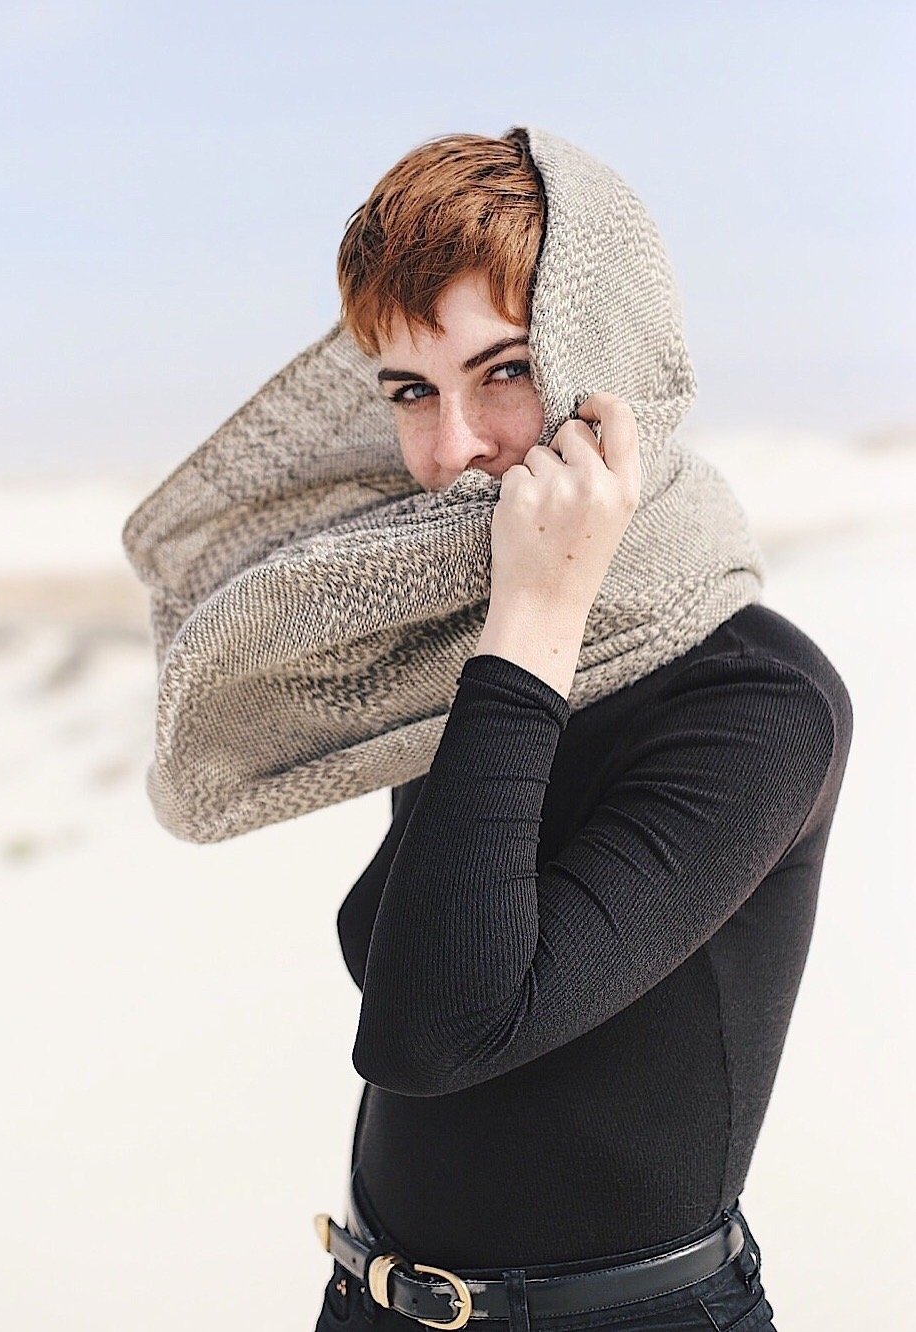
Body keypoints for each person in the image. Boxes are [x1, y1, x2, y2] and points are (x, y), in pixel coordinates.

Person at [310, 131, 854, 1330]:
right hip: (371, 1299)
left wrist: (536, 615)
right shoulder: (495, 642)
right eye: (412, 391)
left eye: (504, 371)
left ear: (606, 363)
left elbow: (433, 1030)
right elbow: (384, 946)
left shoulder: (759, 699)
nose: (450, 449)